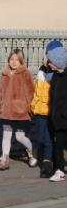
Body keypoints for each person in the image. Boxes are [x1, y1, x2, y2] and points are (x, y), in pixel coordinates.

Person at [0, 49, 36, 171]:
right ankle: (4, 159)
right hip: (6, 112)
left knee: (19, 137)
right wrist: (0, 107)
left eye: (17, 60)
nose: (14, 62)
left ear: (21, 61)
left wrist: (30, 109)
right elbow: (1, 92)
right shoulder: (5, 73)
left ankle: (31, 150)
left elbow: (31, 92)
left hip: (20, 112)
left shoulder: (26, 73)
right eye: (12, 59)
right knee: (6, 134)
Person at [31, 40, 63, 178]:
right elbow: (37, 89)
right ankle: (49, 161)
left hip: (51, 111)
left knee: (50, 139)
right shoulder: (42, 69)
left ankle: (46, 166)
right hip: (39, 110)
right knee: (39, 137)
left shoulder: (59, 73)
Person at [46, 46, 67, 182]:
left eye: (51, 61)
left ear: (58, 62)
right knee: (58, 145)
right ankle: (59, 170)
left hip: (65, 117)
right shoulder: (54, 77)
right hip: (57, 119)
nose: (48, 63)